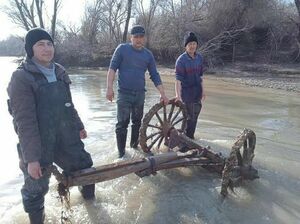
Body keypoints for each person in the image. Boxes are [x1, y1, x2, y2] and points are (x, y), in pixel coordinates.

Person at [7, 28, 95, 224]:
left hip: (66, 137)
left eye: (49, 44)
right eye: (40, 44)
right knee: (35, 190)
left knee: (86, 170)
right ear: (30, 49)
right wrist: (31, 159)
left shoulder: (60, 71)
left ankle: (92, 209)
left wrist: (79, 125)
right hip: (38, 143)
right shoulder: (21, 78)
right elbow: (24, 121)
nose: (47, 48)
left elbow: (68, 104)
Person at [106, 25, 169, 158]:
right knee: (122, 124)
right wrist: (109, 88)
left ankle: (134, 148)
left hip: (140, 95)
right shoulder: (122, 49)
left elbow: (155, 75)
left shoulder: (148, 55)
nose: (138, 39)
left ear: (144, 38)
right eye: (136, 37)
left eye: (141, 37)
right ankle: (122, 155)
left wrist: (162, 93)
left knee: (137, 122)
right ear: (131, 38)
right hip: (124, 94)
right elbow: (112, 69)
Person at [175, 32, 205, 141]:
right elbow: (178, 79)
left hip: (197, 92)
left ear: (196, 44)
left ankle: (189, 139)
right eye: (189, 44)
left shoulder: (199, 58)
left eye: (194, 43)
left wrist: (203, 91)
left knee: (195, 117)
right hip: (187, 94)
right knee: (190, 118)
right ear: (185, 46)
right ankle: (188, 140)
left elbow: (201, 76)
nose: (192, 46)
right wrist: (178, 95)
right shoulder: (181, 60)